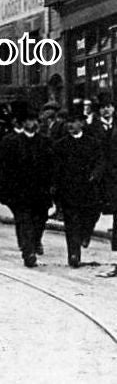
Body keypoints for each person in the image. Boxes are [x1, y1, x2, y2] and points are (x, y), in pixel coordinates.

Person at [0, 107, 54, 267]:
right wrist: (3, 190)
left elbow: (52, 167)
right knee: (24, 221)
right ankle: (28, 253)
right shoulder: (11, 142)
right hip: (20, 192)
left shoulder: (45, 142)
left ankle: (34, 243)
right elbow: (1, 167)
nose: (31, 123)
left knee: (40, 221)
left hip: (40, 192)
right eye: (28, 120)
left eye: (34, 120)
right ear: (22, 123)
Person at [54, 112, 103, 268]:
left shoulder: (93, 143)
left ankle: (85, 234)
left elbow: (101, 162)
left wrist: (95, 175)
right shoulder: (60, 145)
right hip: (69, 190)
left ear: (82, 123)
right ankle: (74, 254)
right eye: (68, 122)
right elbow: (56, 167)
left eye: (74, 121)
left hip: (88, 189)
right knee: (71, 222)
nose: (70, 125)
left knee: (92, 214)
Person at [90, 93, 117, 277]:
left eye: (109, 106)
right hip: (108, 181)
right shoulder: (93, 128)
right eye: (103, 107)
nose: (107, 109)